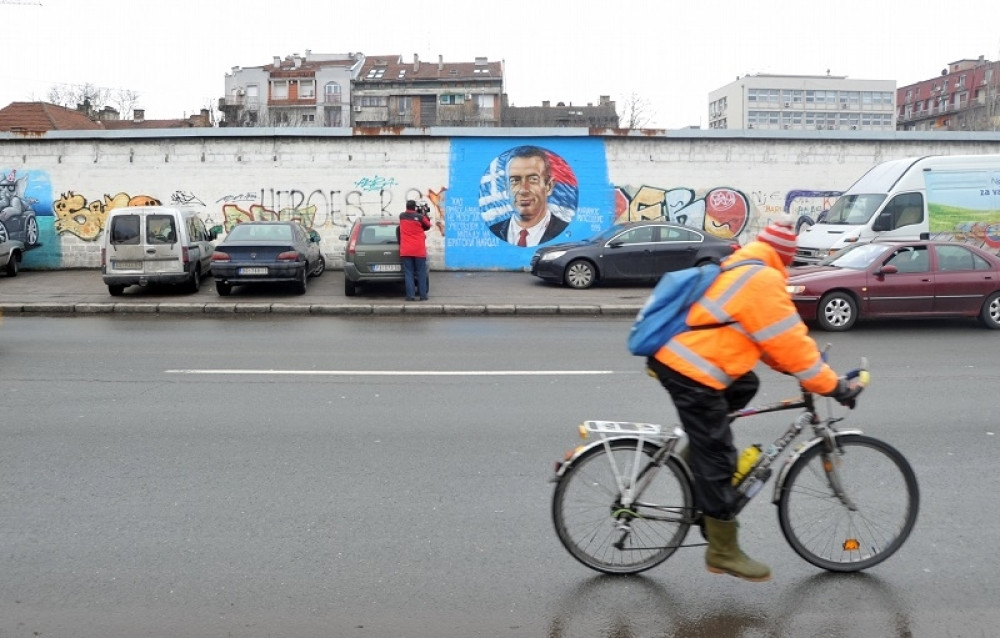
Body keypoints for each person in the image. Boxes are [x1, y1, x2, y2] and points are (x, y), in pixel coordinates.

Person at [645, 220, 862, 582]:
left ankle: (696, 464)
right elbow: (790, 343)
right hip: (690, 370)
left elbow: (773, 345)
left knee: (745, 384)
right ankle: (722, 550)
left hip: (686, 359)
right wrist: (833, 386)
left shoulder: (742, 266)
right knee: (719, 455)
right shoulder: (762, 281)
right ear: (786, 257)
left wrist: (809, 373)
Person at [489, 146, 568, 246]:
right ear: (506, 189)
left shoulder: (562, 231)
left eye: (533, 179)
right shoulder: (494, 231)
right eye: (515, 180)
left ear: (548, 186)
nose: (523, 190)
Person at [398, 199, 431, 301]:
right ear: (415, 208)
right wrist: (424, 213)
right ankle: (423, 296)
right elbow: (428, 225)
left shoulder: (402, 216)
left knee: (409, 273)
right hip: (419, 250)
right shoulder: (420, 217)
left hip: (406, 250)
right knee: (421, 273)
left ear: (406, 207)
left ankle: (410, 296)